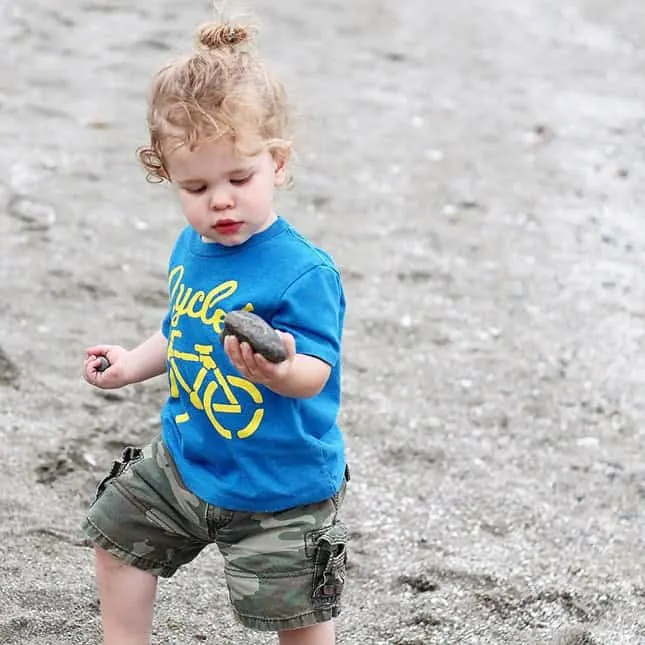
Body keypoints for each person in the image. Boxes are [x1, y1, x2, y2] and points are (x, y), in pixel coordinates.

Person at [81, 18, 348, 645]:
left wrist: (278, 370)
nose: (219, 202)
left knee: (299, 615)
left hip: (278, 487)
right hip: (186, 458)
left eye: (239, 180)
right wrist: (129, 364)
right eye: (196, 187)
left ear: (277, 164)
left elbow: (317, 372)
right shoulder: (190, 246)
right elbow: (181, 331)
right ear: (168, 177)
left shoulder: (302, 272)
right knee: (116, 536)